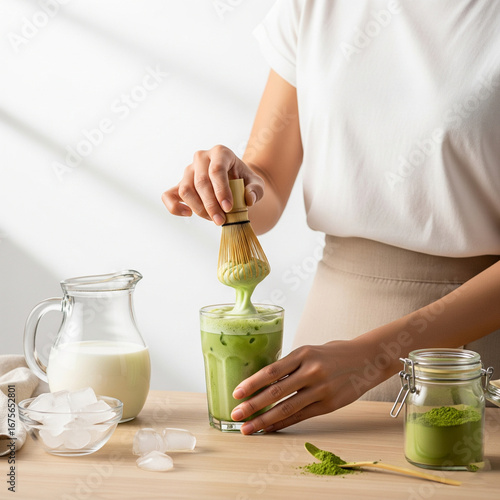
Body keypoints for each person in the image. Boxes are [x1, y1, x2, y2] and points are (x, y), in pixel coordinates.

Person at [162, 0, 500, 435]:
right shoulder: (315, 7)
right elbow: (266, 182)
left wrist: (375, 357)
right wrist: (232, 186)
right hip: (324, 355)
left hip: (472, 357)